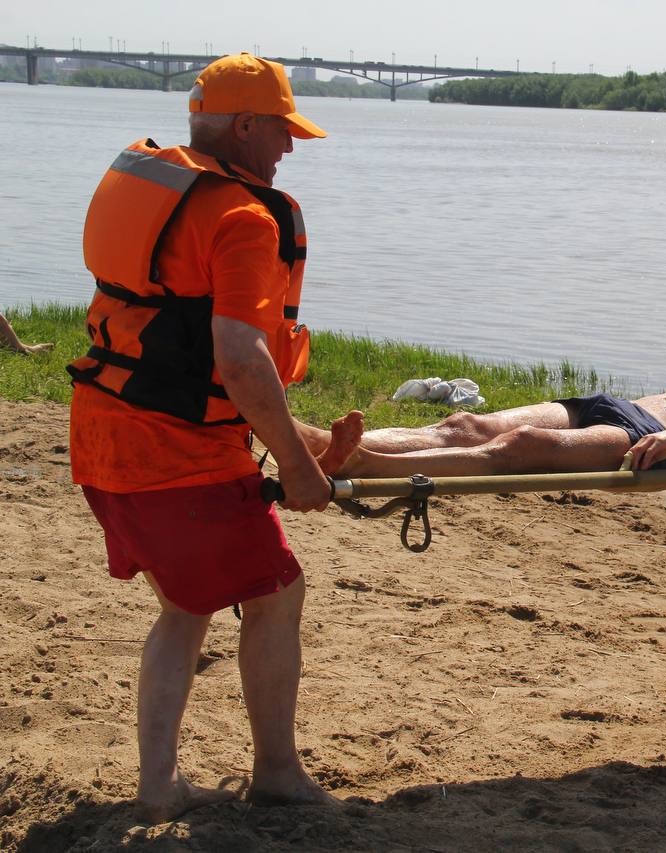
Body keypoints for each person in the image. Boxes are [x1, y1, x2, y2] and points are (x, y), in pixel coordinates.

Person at [67, 53, 348, 822]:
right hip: (174, 454)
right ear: (246, 125)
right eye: (282, 131)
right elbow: (239, 353)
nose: (289, 149)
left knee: (184, 607)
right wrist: (298, 467)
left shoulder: (162, 185)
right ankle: (278, 773)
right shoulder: (245, 218)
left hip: (100, 437)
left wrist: (300, 440)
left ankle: (159, 786)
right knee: (279, 593)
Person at [307, 374, 666, 478]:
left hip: (651, 438)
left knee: (522, 446)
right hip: (616, 404)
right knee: (465, 423)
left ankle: (368, 463)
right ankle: (318, 444)